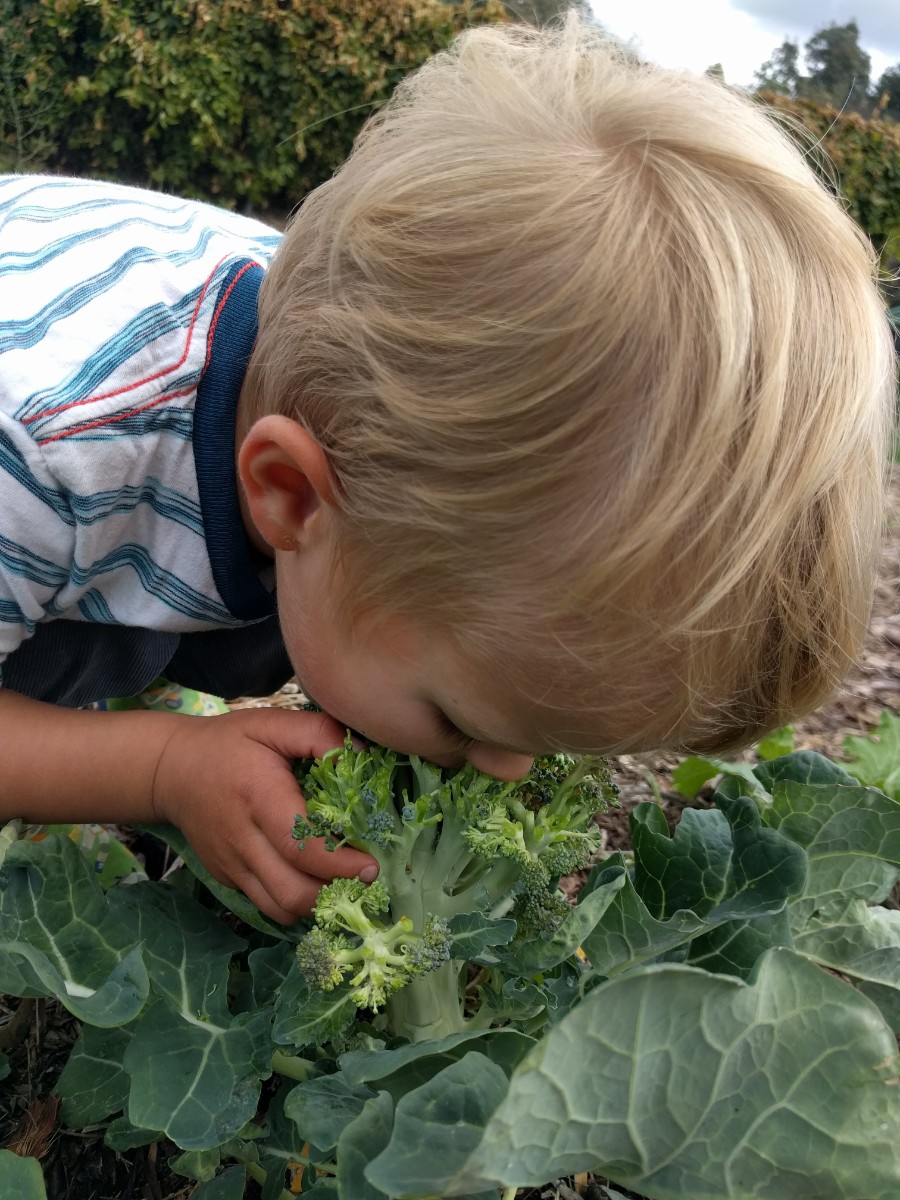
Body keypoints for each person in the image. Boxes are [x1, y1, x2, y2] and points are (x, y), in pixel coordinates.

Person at [0, 15, 894, 924]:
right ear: (290, 493)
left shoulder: (358, 409)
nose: (509, 771)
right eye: (468, 727)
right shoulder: (42, 452)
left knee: (340, 608)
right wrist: (159, 769)